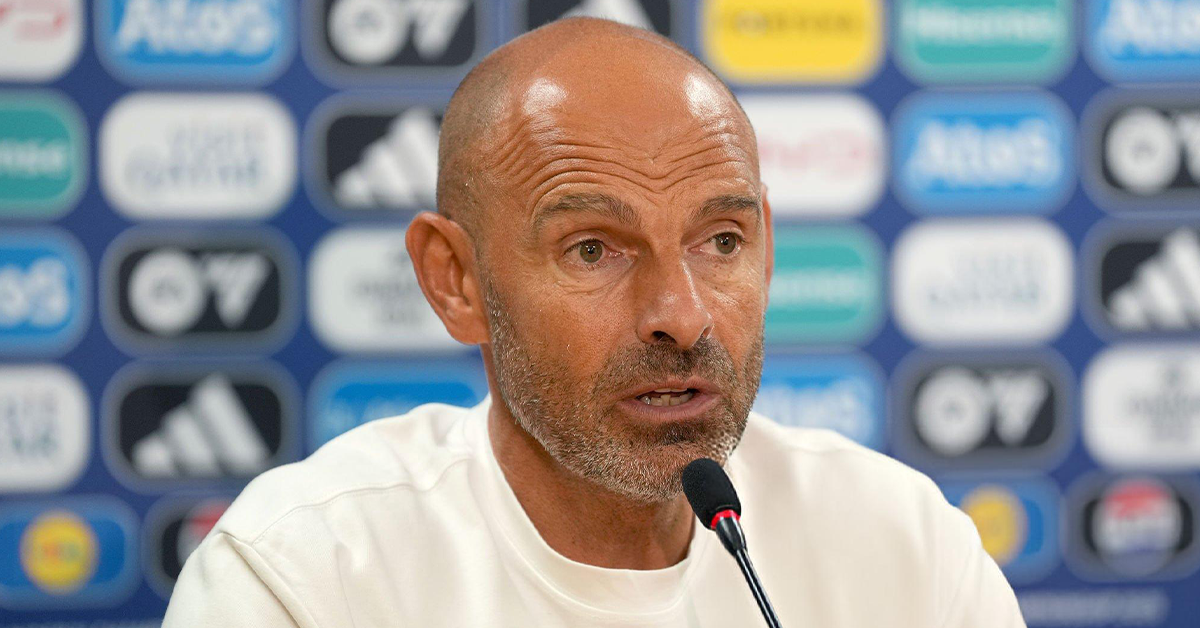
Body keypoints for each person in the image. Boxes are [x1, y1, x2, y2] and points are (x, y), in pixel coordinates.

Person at [163, 18, 1025, 627]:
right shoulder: (301, 577)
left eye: (721, 240)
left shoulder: (906, 549)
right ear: (455, 280)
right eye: (592, 250)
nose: (681, 316)